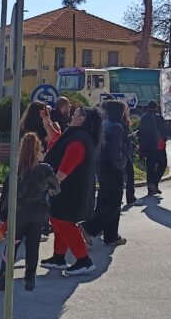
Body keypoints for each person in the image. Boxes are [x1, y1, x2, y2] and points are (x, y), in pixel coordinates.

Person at [0, 133, 61, 292]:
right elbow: (56, 188)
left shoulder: (16, 170)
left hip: (19, 214)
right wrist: (47, 192)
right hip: (38, 213)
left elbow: (6, 196)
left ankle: (3, 278)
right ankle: (30, 278)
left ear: (21, 149)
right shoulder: (45, 169)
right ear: (38, 149)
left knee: (12, 245)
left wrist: (2, 216)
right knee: (33, 246)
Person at [41, 106, 101, 276]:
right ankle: (59, 257)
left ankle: (84, 261)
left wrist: (52, 184)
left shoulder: (78, 140)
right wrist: (47, 123)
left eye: (75, 114)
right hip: (72, 189)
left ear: (81, 119)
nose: (71, 115)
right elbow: (56, 140)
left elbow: (66, 168)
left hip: (71, 191)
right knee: (59, 220)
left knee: (62, 221)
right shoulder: (79, 135)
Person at [83, 100, 128, 247]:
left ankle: (111, 236)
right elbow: (115, 153)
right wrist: (122, 164)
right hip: (112, 168)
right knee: (114, 204)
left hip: (101, 166)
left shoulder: (105, 123)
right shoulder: (116, 127)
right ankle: (89, 227)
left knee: (105, 201)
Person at [138, 100, 169, 196]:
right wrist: (164, 139)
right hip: (159, 146)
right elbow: (164, 131)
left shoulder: (144, 117)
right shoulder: (159, 117)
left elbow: (141, 132)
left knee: (150, 167)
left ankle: (150, 189)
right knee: (162, 164)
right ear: (156, 107)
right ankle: (154, 183)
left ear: (148, 107)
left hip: (148, 147)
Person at [120, 106, 138, 210]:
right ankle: (130, 197)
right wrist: (132, 143)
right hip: (124, 153)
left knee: (125, 175)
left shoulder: (120, 122)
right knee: (129, 174)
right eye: (127, 110)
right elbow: (124, 138)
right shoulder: (123, 123)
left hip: (123, 152)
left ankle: (128, 197)